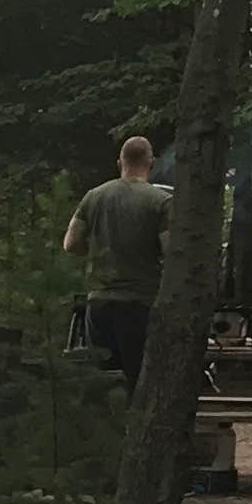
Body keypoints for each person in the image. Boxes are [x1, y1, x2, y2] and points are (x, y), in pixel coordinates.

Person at [63, 136, 171, 389]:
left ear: (119, 162)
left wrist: (99, 253)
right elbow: (171, 250)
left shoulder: (94, 196)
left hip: (99, 303)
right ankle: (135, 428)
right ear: (151, 162)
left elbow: (70, 243)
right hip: (139, 303)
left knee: (103, 381)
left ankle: (108, 428)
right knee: (137, 380)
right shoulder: (160, 201)